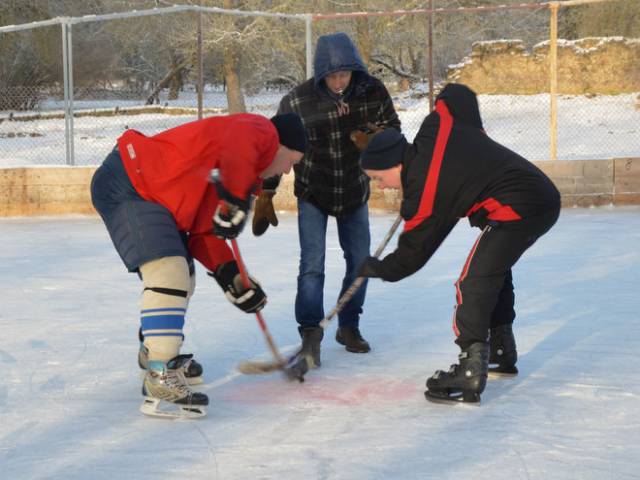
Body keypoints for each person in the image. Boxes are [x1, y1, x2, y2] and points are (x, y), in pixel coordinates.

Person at [90, 112, 307, 418]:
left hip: (154, 197)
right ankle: (160, 373)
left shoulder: (241, 173)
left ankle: (154, 352)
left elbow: (204, 232)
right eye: (291, 161)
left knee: (185, 277)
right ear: (280, 145)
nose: (287, 171)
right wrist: (234, 200)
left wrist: (232, 276)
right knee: (170, 273)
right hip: (132, 183)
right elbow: (241, 142)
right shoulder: (260, 131)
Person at [357, 83, 561, 405]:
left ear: (393, 165)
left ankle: (470, 369)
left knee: (474, 279)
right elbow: (458, 96)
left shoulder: (426, 189)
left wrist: (380, 268)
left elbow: (413, 255)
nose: (381, 186)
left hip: (520, 206)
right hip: (540, 197)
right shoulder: (438, 127)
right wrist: (440, 99)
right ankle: (500, 350)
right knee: (493, 270)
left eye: (379, 178)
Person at [253, 32, 400, 369]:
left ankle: (348, 326)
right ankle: (309, 333)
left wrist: (376, 138)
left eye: (344, 74)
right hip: (314, 190)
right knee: (312, 265)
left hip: (354, 189)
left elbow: (394, 129)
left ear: (354, 70)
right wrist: (267, 191)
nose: (338, 81)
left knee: (360, 260)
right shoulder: (297, 101)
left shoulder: (372, 91)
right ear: (320, 74)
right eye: (331, 75)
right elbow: (278, 147)